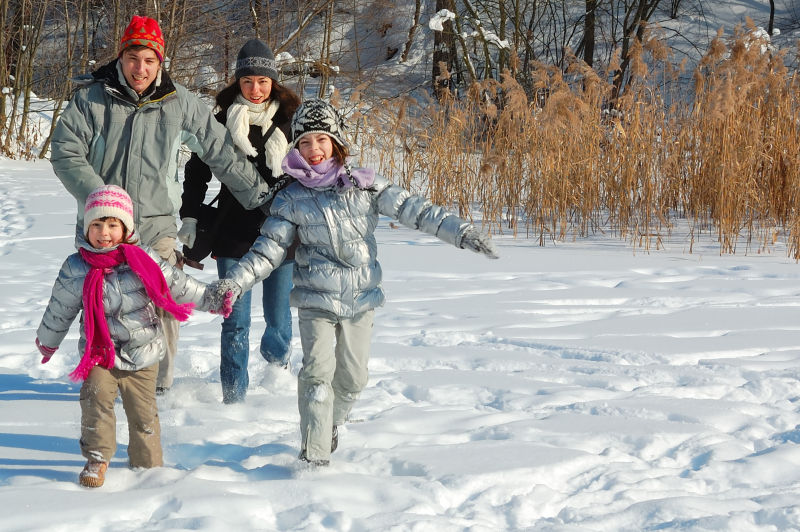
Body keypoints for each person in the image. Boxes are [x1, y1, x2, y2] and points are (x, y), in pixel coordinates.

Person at [215, 99, 499, 466]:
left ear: (335, 142)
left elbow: (417, 210)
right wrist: (236, 282)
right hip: (316, 300)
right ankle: (314, 457)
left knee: (353, 379)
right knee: (317, 376)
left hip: (360, 299)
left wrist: (462, 233)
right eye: (304, 142)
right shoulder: (290, 199)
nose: (313, 149)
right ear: (296, 148)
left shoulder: (365, 186)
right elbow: (267, 251)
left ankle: (329, 425)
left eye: (321, 140)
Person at [49, 15, 278, 395]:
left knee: (162, 303)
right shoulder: (91, 99)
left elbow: (221, 152)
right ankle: (103, 381)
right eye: (133, 57)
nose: (141, 68)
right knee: (102, 307)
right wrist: (103, 204)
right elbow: (65, 152)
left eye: (149, 60)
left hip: (155, 226)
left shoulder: (180, 103)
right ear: (121, 57)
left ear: (161, 62)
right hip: (101, 229)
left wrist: (261, 198)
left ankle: (159, 390)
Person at [34, 185, 235, 488]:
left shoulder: (142, 259)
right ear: (85, 227)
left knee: (143, 416)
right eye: (97, 225)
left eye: (113, 225)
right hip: (100, 354)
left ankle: (148, 466)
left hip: (143, 353)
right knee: (95, 398)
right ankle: (97, 458)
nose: (104, 233)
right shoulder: (77, 267)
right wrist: (48, 340)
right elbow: (60, 307)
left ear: (126, 228)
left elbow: (178, 285)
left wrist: (211, 297)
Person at [178, 38, 300, 404]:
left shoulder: (290, 123)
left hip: (281, 232)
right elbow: (197, 172)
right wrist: (188, 213)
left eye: (263, 81)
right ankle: (234, 397)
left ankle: (277, 383)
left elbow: (311, 170)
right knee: (235, 317)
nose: (256, 89)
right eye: (248, 81)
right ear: (237, 82)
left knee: (279, 318)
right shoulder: (220, 121)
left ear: (274, 82)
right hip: (233, 233)